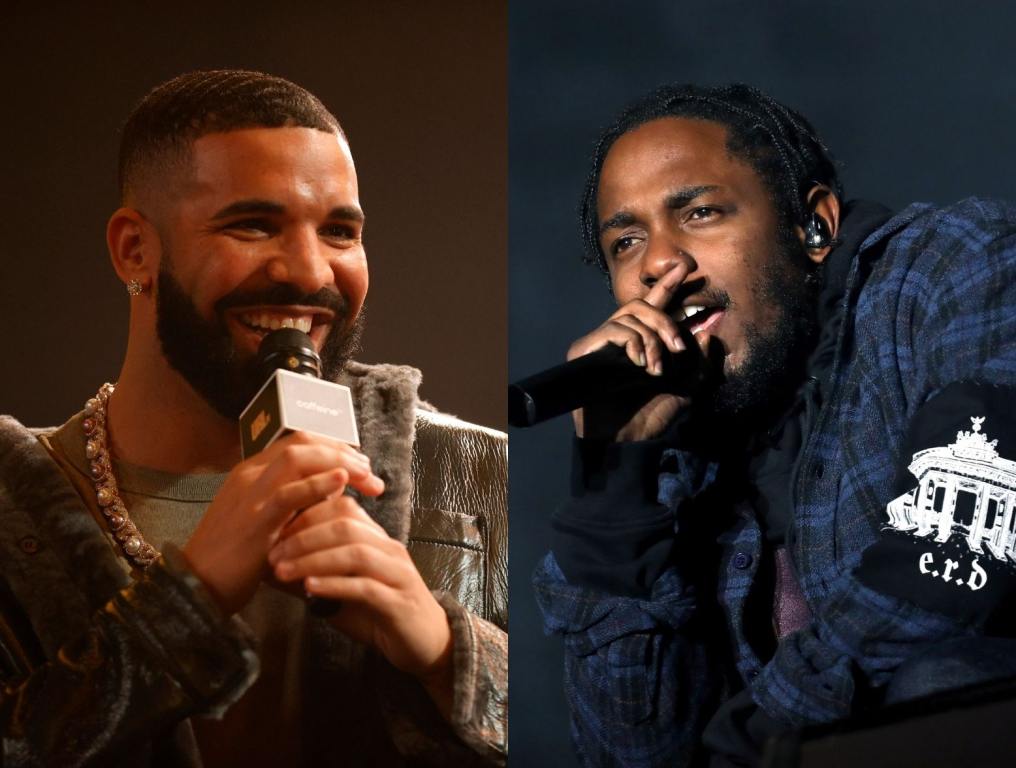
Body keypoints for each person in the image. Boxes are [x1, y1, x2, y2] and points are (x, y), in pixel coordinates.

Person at [0, 70, 506, 767]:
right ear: (134, 250)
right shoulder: (12, 515)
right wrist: (188, 603)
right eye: (253, 224)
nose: (308, 271)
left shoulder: (486, 475)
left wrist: (450, 656)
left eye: (338, 231)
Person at [532, 83, 1016, 766]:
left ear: (813, 226)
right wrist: (615, 483)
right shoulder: (685, 454)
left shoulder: (955, 269)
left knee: (946, 683)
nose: (659, 265)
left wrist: (756, 735)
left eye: (699, 212)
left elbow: (949, 566)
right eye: (627, 242)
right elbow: (635, 754)